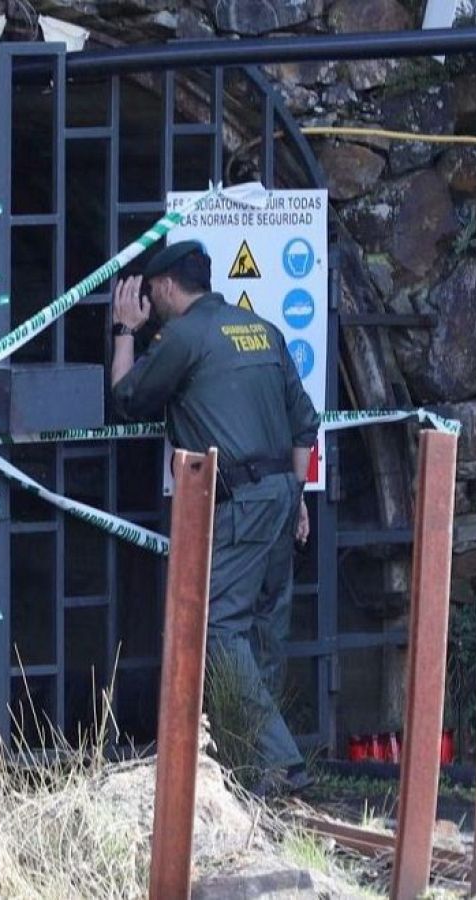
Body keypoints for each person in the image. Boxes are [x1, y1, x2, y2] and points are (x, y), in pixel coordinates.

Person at [109, 241, 319, 795]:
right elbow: (305, 422)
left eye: (151, 293)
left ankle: (279, 760)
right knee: (261, 627)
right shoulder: (262, 329)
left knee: (219, 627)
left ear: (169, 287)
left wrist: (126, 331)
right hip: (279, 493)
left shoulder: (185, 336)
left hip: (239, 501)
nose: (149, 302)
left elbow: (127, 397)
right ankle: (253, 767)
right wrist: (297, 496)